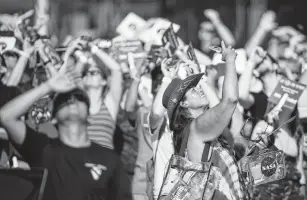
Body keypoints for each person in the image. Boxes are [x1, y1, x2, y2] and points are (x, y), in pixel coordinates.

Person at [0, 64, 132, 200]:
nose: (72, 100)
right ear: (54, 119)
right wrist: (48, 86)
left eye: (79, 98)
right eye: (64, 101)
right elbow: (6, 116)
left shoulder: (109, 159)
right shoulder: (44, 148)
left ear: (89, 116)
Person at [159, 42, 269, 199]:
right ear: (184, 103)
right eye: (193, 90)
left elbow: (234, 174)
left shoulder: (201, 130)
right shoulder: (196, 128)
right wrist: (230, 61)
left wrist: (257, 149)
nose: (200, 89)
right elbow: (229, 102)